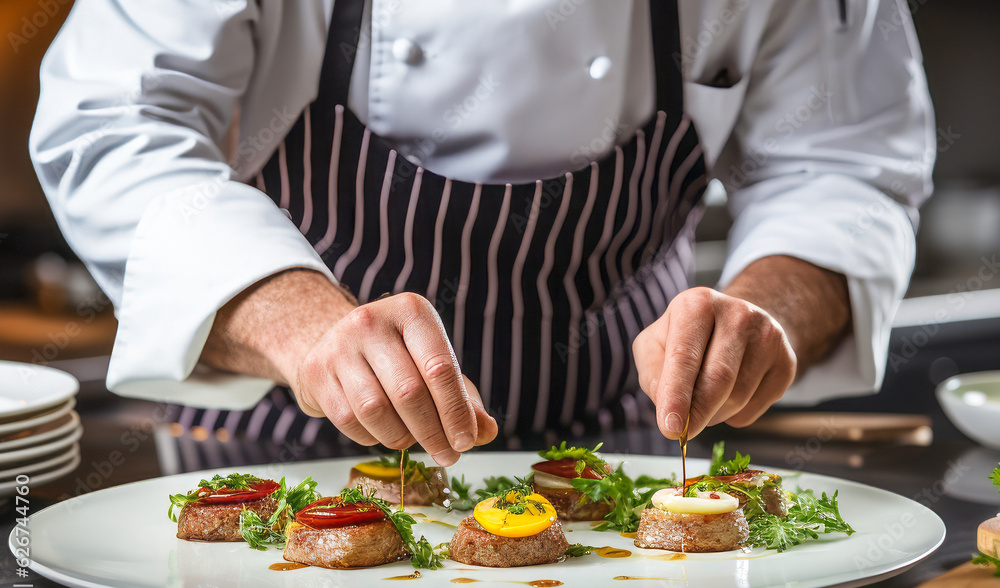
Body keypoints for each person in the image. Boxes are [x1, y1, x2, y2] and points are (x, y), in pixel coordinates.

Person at [31, 0, 934, 467]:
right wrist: (303, 331)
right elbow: (111, 120)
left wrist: (759, 312)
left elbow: (846, 163)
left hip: (629, 468)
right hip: (276, 455)